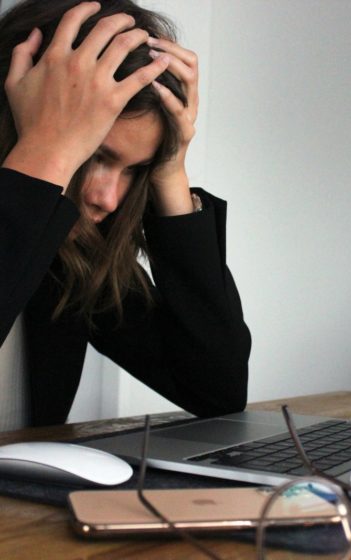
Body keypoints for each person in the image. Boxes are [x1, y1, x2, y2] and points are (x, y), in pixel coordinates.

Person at [0, 0, 251, 426]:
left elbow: (217, 391)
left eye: (133, 170)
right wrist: (47, 152)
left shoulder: (74, 260)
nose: (108, 199)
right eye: (93, 154)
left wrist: (170, 172)